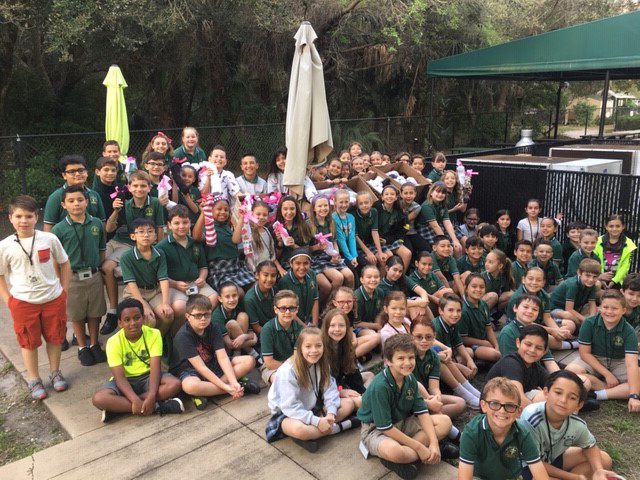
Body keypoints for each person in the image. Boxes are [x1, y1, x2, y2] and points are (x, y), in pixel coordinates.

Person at [0, 195, 70, 400]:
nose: (24, 221)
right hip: (23, 302)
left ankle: (55, 372)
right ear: (10, 218)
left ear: (36, 217)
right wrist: (8, 300)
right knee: (28, 341)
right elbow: (1, 274)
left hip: (52, 298)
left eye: (29, 216)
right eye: (19, 216)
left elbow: (64, 263)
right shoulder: (5, 246)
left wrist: (63, 290)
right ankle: (34, 378)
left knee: (55, 337)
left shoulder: (49, 239)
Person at [358, 334, 449, 480]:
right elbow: (385, 427)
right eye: (400, 358)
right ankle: (410, 455)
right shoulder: (380, 386)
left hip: (402, 422)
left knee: (445, 422)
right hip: (376, 429)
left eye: (411, 357)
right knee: (395, 451)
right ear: (388, 361)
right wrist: (419, 447)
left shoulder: (410, 378)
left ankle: (415, 456)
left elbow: (422, 411)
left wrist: (434, 442)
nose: (407, 363)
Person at [266, 326, 358, 452]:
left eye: (318, 346)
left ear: (323, 347)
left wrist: (331, 413)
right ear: (300, 349)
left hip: (313, 407)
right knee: (300, 430)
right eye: (308, 346)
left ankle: (316, 432)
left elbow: (330, 390)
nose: (314, 351)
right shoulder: (288, 371)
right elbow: (290, 407)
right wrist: (316, 421)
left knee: (349, 403)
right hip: (287, 414)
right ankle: (338, 427)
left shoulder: (323, 363)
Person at [91, 299, 184, 422]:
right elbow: (119, 378)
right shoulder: (113, 342)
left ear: (144, 318)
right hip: (126, 380)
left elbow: (155, 369)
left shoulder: (154, 334)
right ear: (120, 323)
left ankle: (118, 408)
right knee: (99, 399)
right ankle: (157, 407)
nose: (133, 323)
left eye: (137, 318)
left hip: (148, 377)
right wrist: (134, 399)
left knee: (175, 384)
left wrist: (151, 395)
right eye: (127, 320)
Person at [521, 370, 616, 480]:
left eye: (572, 398)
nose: (563, 400)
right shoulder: (531, 418)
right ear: (546, 392)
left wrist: (598, 470)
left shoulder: (576, 424)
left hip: (552, 458)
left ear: (579, 405)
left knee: (605, 460)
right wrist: (573, 477)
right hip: (527, 467)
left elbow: (590, 446)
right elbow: (534, 462)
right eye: (558, 392)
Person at [102, 170, 165, 334]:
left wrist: (157, 247)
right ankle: (112, 310)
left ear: (149, 187)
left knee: (108, 267)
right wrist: (115, 210)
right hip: (117, 239)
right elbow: (108, 228)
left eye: (143, 186)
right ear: (129, 187)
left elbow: (159, 228)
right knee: (97, 264)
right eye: (135, 185)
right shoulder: (124, 203)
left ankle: (113, 311)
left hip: (132, 243)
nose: (139, 189)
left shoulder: (155, 203)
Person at [170, 294, 259, 410]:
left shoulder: (213, 327)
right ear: (188, 316)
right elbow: (201, 367)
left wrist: (233, 381)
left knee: (249, 361)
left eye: (206, 314)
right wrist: (226, 387)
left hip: (213, 363)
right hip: (191, 370)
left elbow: (222, 357)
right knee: (189, 386)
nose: (203, 318)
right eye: (198, 315)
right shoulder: (183, 336)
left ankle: (209, 391)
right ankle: (230, 388)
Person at [51, 185, 107, 366]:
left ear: (87, 202)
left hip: (93, 274)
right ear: (63, 205)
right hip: (72, 277)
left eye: (80, 200)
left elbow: (101, 250)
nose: (76, 204)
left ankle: (94, 344)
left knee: (95, 311)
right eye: (71, 201)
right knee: (77, 313)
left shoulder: (96, 223)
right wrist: (61, 281)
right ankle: (82, 346)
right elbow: (55, 259)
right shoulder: (58, 230)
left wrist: (96, 267)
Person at [458, 377, 548, 480]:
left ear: (518, 412)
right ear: (483, 406)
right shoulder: (471, 433)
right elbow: (464, 476)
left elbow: (539, 470)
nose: (502, 411)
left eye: (509, 406)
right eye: (495, 403)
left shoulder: (522, 433)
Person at [566, 289, 640, 412]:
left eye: (615, 308)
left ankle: (596, 395)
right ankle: (611, 388)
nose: (609, 312)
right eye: (605, 307)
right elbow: (584, 353)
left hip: (618, 360)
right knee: (571, 371)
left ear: (623, 310)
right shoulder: (589, 323)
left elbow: (631, 364)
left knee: (637, 382)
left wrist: (634, 396)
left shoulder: (629, 331)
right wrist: (607, 374)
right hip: (594, 357)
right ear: (599, 308)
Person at [156, 205, 218, 332]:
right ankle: (176, 335)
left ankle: (199, 330)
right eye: (176, 223)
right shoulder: (161, 247)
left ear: (190, 223)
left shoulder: (195, 243)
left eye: (185, 222)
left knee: (213, 298)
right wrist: (174, 284)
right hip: (174, 286)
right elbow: (159, 275)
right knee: (180, 307)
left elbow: (203, 267)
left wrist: (202, 277)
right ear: (169, 225)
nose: (181, 226)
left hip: (195, 283)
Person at [120, 218, 174, 334]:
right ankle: (146, 346)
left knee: (168, 315)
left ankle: (159, 340)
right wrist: (143, 305)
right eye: (141, 232)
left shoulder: (160, 254)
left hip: (154, 290)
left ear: (155, 236)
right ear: (133, 236)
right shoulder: (126, 257)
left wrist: (165, 303)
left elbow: (163, 279)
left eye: (150, 231)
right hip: (135, 292)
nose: (146, 235)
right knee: (149, 320)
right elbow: (131, 283)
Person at [193, 195, 255, 293]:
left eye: (226, 210)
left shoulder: (227, 227)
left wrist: (241, 218)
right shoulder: (208, 227)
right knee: (238, 292)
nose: (223, 212)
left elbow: (236, 240)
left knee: (255, 287)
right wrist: (203, 213)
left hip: (235, 267)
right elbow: (196, 236)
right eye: (219, 209)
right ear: (211, 210)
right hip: (219, 271)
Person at [507, 267, 577, 352]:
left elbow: (547, 317)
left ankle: (559, 339)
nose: (534, 282)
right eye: (530, 279)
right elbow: (525, 323)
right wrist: (552, 331)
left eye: (538, 280)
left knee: (570, 324)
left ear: (543, 283)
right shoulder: (517, 298)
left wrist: (557, 331)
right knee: (545, 338)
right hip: (521, 327)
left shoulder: (543, 295)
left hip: (538, 322)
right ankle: (568, 345)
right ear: (523, 279)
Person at [410, 316, 466, 419]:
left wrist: (437, 399)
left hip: (427, 396)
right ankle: (434, 419)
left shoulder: (433, 355)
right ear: (411, 336)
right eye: (419, 337)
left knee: (460, 403)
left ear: (434, 337)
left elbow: (434, 387)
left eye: (428, 337)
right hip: (410, 398)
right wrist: (430, 402)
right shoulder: (408, 356)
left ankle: (431, 418)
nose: (424, 341)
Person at [487, 325, 549, 407]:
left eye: (539, 348)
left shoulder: (537, 369)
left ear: (544, 352)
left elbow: (555, 387)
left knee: (553, 395)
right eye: (528, 344)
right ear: (518, 343)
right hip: (496, 409)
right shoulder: (510, 362)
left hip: (513, 407)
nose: (532, 350)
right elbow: (518, 399)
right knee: (544, 398)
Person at [321, 308, 373, 405]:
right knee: (359, 402)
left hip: (341, 384)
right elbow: (324, 383)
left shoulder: (345, 346)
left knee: (370, 375)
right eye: (332, 325)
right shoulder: (321, 349)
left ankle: (365, 402)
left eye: (341, 325)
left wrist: (361, 393)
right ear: (326, 327)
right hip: (327, 391)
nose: (337, 329)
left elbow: (353, 375)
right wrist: (342, 391)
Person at [307, 194, 353, 302]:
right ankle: (330, 305)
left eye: (325, 205)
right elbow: (306, 248)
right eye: (319, 206)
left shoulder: (331, 222)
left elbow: (334, 241)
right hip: (316, 258)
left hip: (329, 255)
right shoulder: (309, 224)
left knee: (349, 275)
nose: (323, 208)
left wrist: (335, 254)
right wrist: (317, 247)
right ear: (314, 208)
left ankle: (350, 302)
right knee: (338, 278)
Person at [499, 294, 560, 374]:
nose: (530, 311)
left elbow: (549, 360)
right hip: (517, 372)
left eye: (535, 309)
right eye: (525, 307)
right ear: (515, 308)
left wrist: (558, 377)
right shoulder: (508, 332)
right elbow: (509, 365)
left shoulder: (538, 331)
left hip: (536, 370)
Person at [43, 155, 106, 232]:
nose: (77, 174)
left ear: (87, 172)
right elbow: (49, 227)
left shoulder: (94, 195)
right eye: (72, 171)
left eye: (81, 170)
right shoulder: (55, 197)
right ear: (64, 175)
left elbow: (102, 223)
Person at [260, 289, 304, 385]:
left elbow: (296, 356)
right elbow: (269, 362)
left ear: (297, 309)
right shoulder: (267, 329)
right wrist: (290, 370)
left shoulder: (299, 328)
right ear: (276, 309)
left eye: (292, 308)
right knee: (280, 379)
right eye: (283, 308)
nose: (287, 312)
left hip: (294, 363)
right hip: (273, 366)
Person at [434, 294, 479, 382]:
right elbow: (440, 359)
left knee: (469, 353)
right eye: (450, 310)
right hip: (438, 362)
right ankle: (453, 383)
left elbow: (459, 344)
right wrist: (461, 367)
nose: (455, 314)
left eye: (458, 311)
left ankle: (460, 376)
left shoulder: (452, 323)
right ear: (440, 310)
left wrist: (470, 361)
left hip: (449, 357)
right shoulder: (436, 329)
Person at [328, 286, 380, 360]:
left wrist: (354, 340)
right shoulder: (332, 317)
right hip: (335, 346)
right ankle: (349, 359)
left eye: (349, 302)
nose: (346, 305)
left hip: (347, 342)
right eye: (341, 302)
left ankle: (353, 357)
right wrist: (352, 342)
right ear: (334, 303)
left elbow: (350, 332)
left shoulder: (350, 313)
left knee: (376, 337)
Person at [459, 274, 501, 365]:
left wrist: (496, 345)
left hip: (483, 340)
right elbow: (463, 338)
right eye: (474, 286)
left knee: (501, 348)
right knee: (495, 355)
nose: (478, 289)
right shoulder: (463, 310)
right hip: (470, 345)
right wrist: (484, 343)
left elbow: (488, 328)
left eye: (482, 287)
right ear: (466, 288)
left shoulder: (483, 304)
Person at [549, 258, 598, 331]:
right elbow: (569, 309)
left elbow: (592, 304)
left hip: (576, 308)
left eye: (595, 277)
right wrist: (586, 320)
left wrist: (592, 318)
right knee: (567, 315)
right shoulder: (573, 284)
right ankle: (582, 326)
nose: (591, 279)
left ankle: (585, 325)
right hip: (556, 309)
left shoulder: (591, 284)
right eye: (587, 275)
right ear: (579, 273)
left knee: (599, 311)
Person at [212, 281, 258, 356]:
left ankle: (237, 352)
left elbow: (251, 333)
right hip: (224, 351)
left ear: (238, 295)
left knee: (243, 316)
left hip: (237, 344)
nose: (232, 299)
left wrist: (244, 336)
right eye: (227, 296)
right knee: (231, 324)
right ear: (220, 299)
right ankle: (251, 352)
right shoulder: (217, 316)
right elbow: (229, 344)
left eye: (234, 295)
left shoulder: (238, 308)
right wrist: (252, 342)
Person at [416, 182, 462, 256]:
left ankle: (455, 266)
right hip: (425, 228)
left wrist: (454, 240)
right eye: (437, 191)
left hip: (439, 227)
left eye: (443, 193)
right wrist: (446, 243)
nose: (440, 194)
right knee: (445, 250)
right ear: (431, 193)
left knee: (458, 247)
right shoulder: (427, 206)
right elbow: (435, 226)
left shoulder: (443, 205)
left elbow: (447, 223)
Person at [277, 249, 319, 326]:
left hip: (309, 320)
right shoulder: (284, 282)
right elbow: (288, 310)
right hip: (293, 323)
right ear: (291, 264)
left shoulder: (311, 274)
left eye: (306, 263)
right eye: (298, 263)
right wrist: (304, 327)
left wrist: (315, 324)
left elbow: (315, 299)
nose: (302, 267)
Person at [379, 256, 429, 320]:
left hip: (406, 306)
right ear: (387, 268)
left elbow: (422, 291)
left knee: (420, 304)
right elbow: (398, 303)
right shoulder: (381, 286)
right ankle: (417, 329)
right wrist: (419, 303)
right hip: (393, 312)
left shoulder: (402, 278)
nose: (397, 274)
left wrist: (423, 302)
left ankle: (433, 328)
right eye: (395, 270)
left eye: (400, 271)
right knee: (414, 307)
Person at [594, 214, 637, 289]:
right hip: (600, 277)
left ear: (623, 226)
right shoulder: (598, 241)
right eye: (611, 226)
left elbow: (625, 266)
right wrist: (601, 276)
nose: (614, 229)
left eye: (618, 226)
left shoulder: (629, 244)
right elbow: (594, 261)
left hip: (618, 280)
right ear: (606, 226)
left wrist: (614, 280)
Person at [375, 184, 412, 270]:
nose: (389, 196)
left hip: (389, 239)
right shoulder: (376, 209)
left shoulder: (399, 212)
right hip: (376, 240)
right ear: (382, 197)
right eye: (386, 194)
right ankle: (384, 280)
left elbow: (400, 232)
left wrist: (387, 240)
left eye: (392, 194)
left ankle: (400, 278)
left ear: (396, 197)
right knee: (388, 256)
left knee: (407, 253)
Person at [354, 191, 392, 272]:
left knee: (386, 256)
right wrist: (368, 253)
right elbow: (355, 236)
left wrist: (380, 251)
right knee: (372, 260)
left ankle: (381, 281)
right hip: (359, 246)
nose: (364, 205)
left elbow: (374, 232)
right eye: (361, 203)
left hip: (370, 243)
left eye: (366, 202)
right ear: (357, 205)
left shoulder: (374, 212)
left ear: (371, 203)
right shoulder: (353, 215)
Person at [272, 195, 312, 271]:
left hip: (302, 262)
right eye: (285, 209)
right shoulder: (274, 227)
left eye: (292, 209)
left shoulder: (303, 226)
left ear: (296, 210)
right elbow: (275, 257)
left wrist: (294, 245)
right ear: (280, 210)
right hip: (284, 264)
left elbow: (307, 251)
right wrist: (280, 243)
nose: (289, 212)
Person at [410, 251, 453, 317]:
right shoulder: (412, 278)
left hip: (437, 303)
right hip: (424, 305)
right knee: (441, 294)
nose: (427, 267)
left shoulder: (432, 274)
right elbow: (423, 295)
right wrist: (439, 301)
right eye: (424, 264)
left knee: (449, 291)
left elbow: (442, 288)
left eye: (429, 264)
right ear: (416, 263)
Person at [243, 260, 278, 335]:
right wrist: (275, 335)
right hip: (263, 334)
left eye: (273, 275)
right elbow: (257, 327)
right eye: (265, 275)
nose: (269, 279)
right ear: (257, 275)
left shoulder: (276, 291)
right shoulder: (250, 299)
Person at [244, 200, 277, 273]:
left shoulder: (267, 231)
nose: (261, 217)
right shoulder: (248, 231)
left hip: (268, 268)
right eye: (258, 214)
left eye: (265, 215)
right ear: (252, 214)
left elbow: (271, 252)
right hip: (255, 270)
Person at [400, 184, 431, 259]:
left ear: (415, 194)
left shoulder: (417, 207)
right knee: (409, 250)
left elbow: (406, 220)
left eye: (411, 193)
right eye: (406, 193)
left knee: (426, 248)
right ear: (401, 194)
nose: (408, 196)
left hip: (411, 232)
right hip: (400, 233)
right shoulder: (397, 204)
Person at [333, 189, 359, 272]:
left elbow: (352, 237)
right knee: (353, 270)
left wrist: (354, 256)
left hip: (350, 250)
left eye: (346, 202)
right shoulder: (333, 218)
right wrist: (350, 258)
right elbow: (340, 239)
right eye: (341, 202)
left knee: (365, 264)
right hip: (341, 252)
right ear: (335, 202)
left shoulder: (351, 217)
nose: (344, 205)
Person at [354, 265, 385, 332]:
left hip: (373, 323)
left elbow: (379, 312)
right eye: (369, 277)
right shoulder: (357, 298)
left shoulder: (380, 292)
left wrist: (378, 326)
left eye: (376, 277)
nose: (373, 280)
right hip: (358, 327)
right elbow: (356, 323)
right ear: (362, 280)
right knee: (375, 336)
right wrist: (377, 326)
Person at [92, 156, 121, 226]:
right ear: (97, 172)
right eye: (106, 170)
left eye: (113, 170)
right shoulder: (94, 193)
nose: (110, 173)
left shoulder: (120, 188)